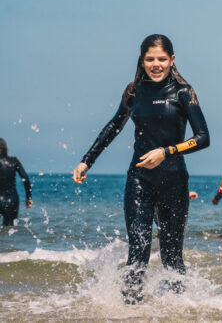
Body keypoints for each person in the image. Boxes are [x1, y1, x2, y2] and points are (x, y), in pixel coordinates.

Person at [72, 34, 209, 304]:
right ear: (142, 60)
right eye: (150, 59)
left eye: (161, 59)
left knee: (171, 257)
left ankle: (179, 312)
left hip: (174, 181)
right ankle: (131, 311)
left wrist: (167, 152)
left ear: (172, 60)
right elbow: (114, 126)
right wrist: (87, 160)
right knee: (138, 251)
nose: (155, 64)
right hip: (139, 181)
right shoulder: (133, 91)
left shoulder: (183, 92)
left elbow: (203, 137)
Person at [0, 138, 33, 226]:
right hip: (12, 201)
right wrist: (28, 198)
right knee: (9, 230)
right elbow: (25, 178)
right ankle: (8, 240)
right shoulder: (14, 161)